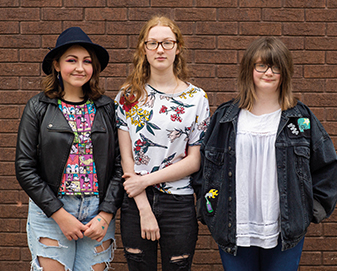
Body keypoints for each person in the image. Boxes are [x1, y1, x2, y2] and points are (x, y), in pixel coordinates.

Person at [192, 36, 337, 271]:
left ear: (285, 72)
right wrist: (208, 210)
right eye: (261, 65)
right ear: (250, 69)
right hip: (233, 227)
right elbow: (205, 169)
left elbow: (327, 165)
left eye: (276, 66)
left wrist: (310, 209)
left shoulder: (300, 119)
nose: (268, 72)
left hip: (285, 230)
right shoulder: (225, 117)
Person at [15, 27, 123, 271]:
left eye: (86, 61)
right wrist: (59, 214)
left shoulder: (107, 108)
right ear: (56, 65)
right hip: (51, 211)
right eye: (71, 60)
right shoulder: (38, 106)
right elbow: (24, 167)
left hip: (97, 212)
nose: (79, 68)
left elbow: (120, 165)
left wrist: (105, 215)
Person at [114, 16, 210, 270]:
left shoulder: (197, 98)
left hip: (178, 203)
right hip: (136, 202)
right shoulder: (128, 96)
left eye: (167, 43)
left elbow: (194, 160)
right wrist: (144, 208)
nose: (160, 49)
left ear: (177, 48)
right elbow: (127, 160)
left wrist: (145, 180)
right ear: (143, 49)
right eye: (153, 43)